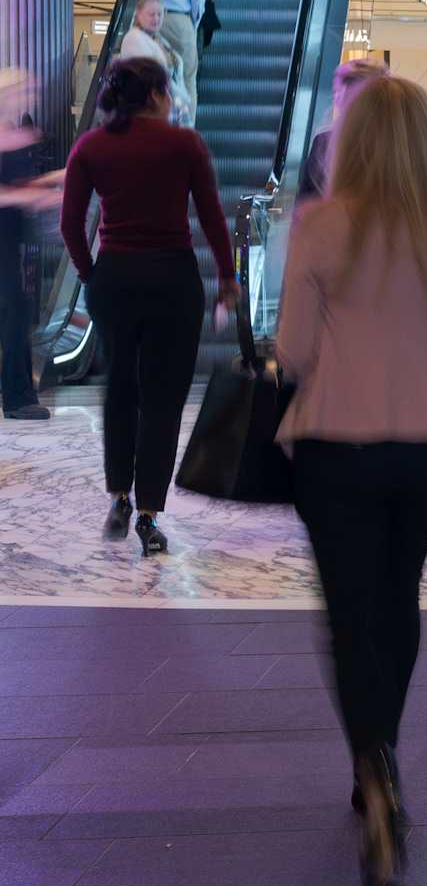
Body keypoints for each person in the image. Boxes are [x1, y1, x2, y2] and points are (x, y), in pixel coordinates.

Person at [276, 75, 427, 886]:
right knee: (399, 595)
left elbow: (295, 350)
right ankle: (383, 750)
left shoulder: (319, 226)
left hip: (333, 442)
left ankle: (370, 763)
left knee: (348, 612)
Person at [60, 57, 238, 555]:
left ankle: (118, 493)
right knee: (163, 399)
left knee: (120, 388)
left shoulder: (90, 146)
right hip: (172, 280)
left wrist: (91, 273)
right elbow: (211, 217)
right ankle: (147, 514)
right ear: (158, 94)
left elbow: (71, 224)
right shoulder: (184, 144)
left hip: (114, 277)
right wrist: (227, 276)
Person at [0, 67, 60, 421]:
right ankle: (18, 397)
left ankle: (20, 394)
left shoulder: (17, 133)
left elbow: (21, 185)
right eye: (24, 89)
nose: (30, 95)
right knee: (15, 311)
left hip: (12, 239)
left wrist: (52, 182)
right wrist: (26, 197)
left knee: (17, 311)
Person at [296, 58, 389, 207]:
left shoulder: (325, 143)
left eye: (337, 93)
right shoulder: (400, 143)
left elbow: (305, 206)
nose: (336, 99)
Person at [117, 0, 194, 127]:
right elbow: (150, 79)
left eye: (160, 14)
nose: (157, 18)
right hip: (152, 112)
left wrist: (182, 100)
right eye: (151, 14)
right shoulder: (133, 39)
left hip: (171, 109)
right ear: (138, 14)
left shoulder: (158, 39)